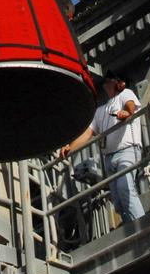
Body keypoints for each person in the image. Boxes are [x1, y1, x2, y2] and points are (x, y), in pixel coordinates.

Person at [60, 73, 145, 225]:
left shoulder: (126, 94)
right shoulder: (101, 111)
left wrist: (127, 112)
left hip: (127, 150)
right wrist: (70, 147)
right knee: (118, 201)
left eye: (111, 79)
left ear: (120, 83)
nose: (107, 82)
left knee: (125, 188)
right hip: (109, 158)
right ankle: (131, 227)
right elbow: (88, 133)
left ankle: (141, 225)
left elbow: (130, 105)